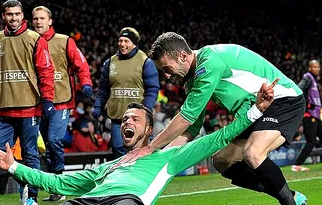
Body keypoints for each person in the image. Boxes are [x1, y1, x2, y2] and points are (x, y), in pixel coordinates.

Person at [0, 83, 275, 205]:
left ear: (150, 130)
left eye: (136, 119)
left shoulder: (168, 157)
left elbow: (218, 138)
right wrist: (14, 166)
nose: (128, 122)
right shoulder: (108, 167)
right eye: (125, 118)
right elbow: (57, 183)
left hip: (126, 202)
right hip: (88, 201)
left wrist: (255, 111)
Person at [118, 32, 307, 205]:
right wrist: (161, 157)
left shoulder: (209, 63)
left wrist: (150, 148)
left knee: (253, 153)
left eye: (167, 68)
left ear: (183, 56)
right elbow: (191, 129)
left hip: (282, 100)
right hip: (254, 109)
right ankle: (292, 197)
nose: (166, 76)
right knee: (222, 160)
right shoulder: (191, 80)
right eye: (162, 72)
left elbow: (187, 117)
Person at [0, 0, 55, 203]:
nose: (13, 18)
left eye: (17, 14)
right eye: (9, 14)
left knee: (30, 154)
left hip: (29, 108)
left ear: (22, 15)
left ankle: (30, 197)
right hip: (3, 109)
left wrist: (48, 99)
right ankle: (25, 185)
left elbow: (46, 71)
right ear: (3, 16)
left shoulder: (34, 38)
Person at [31, 6, 93, 202]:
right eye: (35, 19)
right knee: (46, 146)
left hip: (61, 102)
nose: (38, 22)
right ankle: (54, 187)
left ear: (50, 21)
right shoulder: (28, 41)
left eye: (42, 18)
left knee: (54, 140)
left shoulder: (65, 41)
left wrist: (86, 83)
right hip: (37, 102)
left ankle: (59, 185)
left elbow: (81, 65)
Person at [92, 27, 160, 158]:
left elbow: (152, 89)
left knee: (140, 150)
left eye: (126, 41)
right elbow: (103, 90)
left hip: (138, 118)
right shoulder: (110, 62)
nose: (122, 44)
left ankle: (143, 176)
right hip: (118, 117)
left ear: (134, 43)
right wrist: (98, 107)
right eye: (120, 40)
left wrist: (146, 109)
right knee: (118, 148)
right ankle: (123, 177)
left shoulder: (145, 62)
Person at [0, 115, 46, 195]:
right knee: (23, 182)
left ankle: (1, 197)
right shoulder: (26, 118)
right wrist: (43, 151)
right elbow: (35, 135)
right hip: (17, 157)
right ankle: (27, 197)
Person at [292, 60, 322, 171]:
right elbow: (299, 89)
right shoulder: (308, 78)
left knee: (316, 140)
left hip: (316, 115)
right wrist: (308, 105)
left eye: (318, 66)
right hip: (309, 115)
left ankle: (297, 164)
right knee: (311, 141)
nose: (317, 69)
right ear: (310, 68)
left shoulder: (314, 80)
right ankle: (297, 165)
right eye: (314, 67)